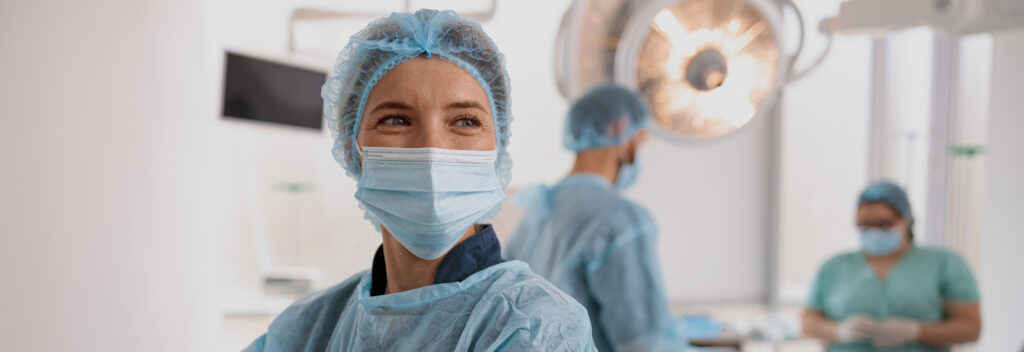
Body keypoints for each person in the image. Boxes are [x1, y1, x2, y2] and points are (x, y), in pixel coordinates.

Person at [244, 9, 595, 351]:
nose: (432, 151)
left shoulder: (535, 328)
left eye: (466, 121)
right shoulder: (311, 326)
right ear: (355, 152)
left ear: (496, 149)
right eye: (396, 120)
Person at [503, 84, 688, 351]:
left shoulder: (536, 211)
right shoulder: (620, 220)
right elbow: (644, 342)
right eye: (639, 140)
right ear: (621, 129)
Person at [801, 181, 982, 351]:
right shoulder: (834, 267)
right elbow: (807, 321)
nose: (874, 231)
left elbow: (971, 328)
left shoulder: (945, 263)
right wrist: (838, 331)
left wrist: (916, 331)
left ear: (906, 219)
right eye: (865, 224)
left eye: (883, 223)